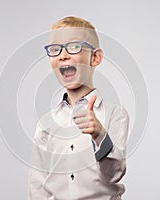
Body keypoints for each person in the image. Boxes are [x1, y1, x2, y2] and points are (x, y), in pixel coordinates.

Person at [28, 16, 129, 200]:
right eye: (55, 49)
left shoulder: (115, 114)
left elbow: (114, 174)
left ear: (95, 57)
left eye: (74, 46)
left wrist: (99, 135)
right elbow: (37, 186)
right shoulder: (46, 124)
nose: (63, 55)